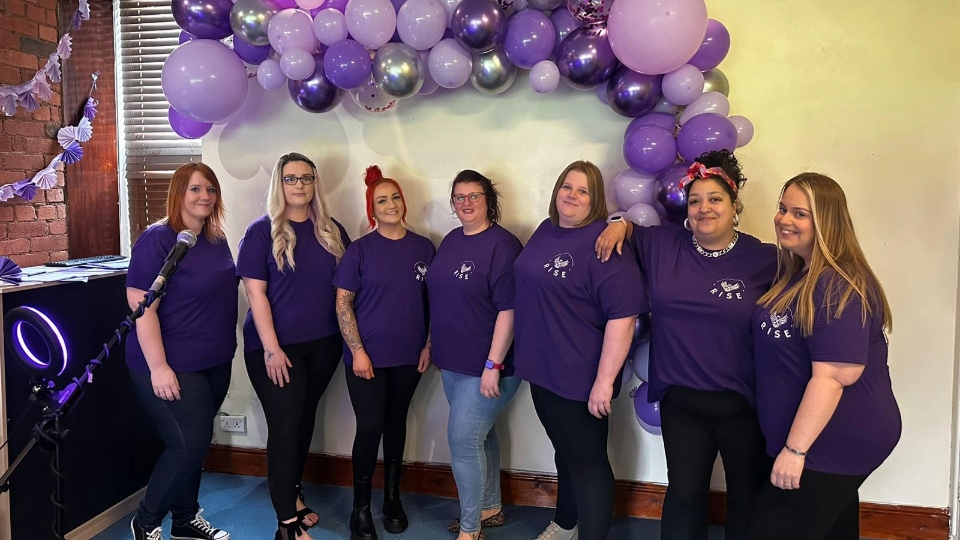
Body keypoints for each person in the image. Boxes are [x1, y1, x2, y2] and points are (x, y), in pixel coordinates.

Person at [595, 150, 778, 540]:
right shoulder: (663, 244)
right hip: (682, 403)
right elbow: (627, 228)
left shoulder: (764, 259)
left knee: (746, 498)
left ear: (735, 206)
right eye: (694, 201)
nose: (703, 208)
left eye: (715, 199)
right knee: (684, 496)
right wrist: (617, 222)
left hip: (743, 404)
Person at [748, 173, 900, 540]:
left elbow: (833, 377)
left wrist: (795, 451)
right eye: (783, 209)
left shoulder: (838, 284)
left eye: (800, 214)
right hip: (818, 436)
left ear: (826, 222)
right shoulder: (796, 275)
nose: (784, 219)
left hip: (834, 439)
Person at [514, 160, 646, 540]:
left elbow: (623, 317)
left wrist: (604, 383)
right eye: (567, 187)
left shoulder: (606, 243)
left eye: (583, 191)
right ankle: (567, 521)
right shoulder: (545, 230)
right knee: (564, 451)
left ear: (596, 201)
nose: (572, 196)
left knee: (589, 465)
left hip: (579, 376)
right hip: (540, 369)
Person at [236, 153, 350, 540]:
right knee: (285, 426)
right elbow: (255, 293)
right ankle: (285, 524)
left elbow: (347, 293)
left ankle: (294, 494)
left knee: (303, 419)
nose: (299, 185)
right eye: (290, 178)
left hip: (323, 346)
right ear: (279, 185)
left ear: (315, 183)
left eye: (306, 178)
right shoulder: (260, 231)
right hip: (275, 349)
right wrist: (271, 348)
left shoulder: (333, 231)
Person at [126, 163, 237, 540]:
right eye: (195, 189)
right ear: (178, 194)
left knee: (199, 442)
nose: (204, 196)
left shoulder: (216, 237)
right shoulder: (158, 239)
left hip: (215, 360)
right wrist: (159, 367)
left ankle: (186, 520)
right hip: (170, 364)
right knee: (187, 446)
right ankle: (145, 522)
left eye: (210, 189)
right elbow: (141, 309)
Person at [333, 165, 435, 540]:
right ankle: (360, 509)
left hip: (409, 358)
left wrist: (428, 344)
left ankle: (392, 498)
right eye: (381, 200)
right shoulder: (358, 251)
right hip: (367, 360)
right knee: (370, 426)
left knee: (396, 425)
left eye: (395, 197)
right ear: (371, 209)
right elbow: (343, 305)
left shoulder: (424, 247)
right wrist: (357, 352)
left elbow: (435, 303)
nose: (390, 204)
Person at [427, 170, 524, 540]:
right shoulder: (451, 240)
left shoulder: (503, 245)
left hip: (490, 366)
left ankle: (471, 530)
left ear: (489, 200)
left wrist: (493, 365)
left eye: (475, 196)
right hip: (452, 362)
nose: (466, 203)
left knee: (463, 441)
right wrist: (432, 342)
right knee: (481, 437)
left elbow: (509, 310)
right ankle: (490, 507)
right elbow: (441, 298)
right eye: (459, 197)